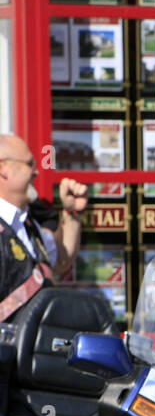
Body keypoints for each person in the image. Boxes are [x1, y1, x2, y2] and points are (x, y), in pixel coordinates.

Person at [0, 133, 89, 315]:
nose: (36, 171)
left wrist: (73, 212)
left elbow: (60, 258)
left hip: (33, 341)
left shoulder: (28, 225)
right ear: (3, 168)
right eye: (29, 164)